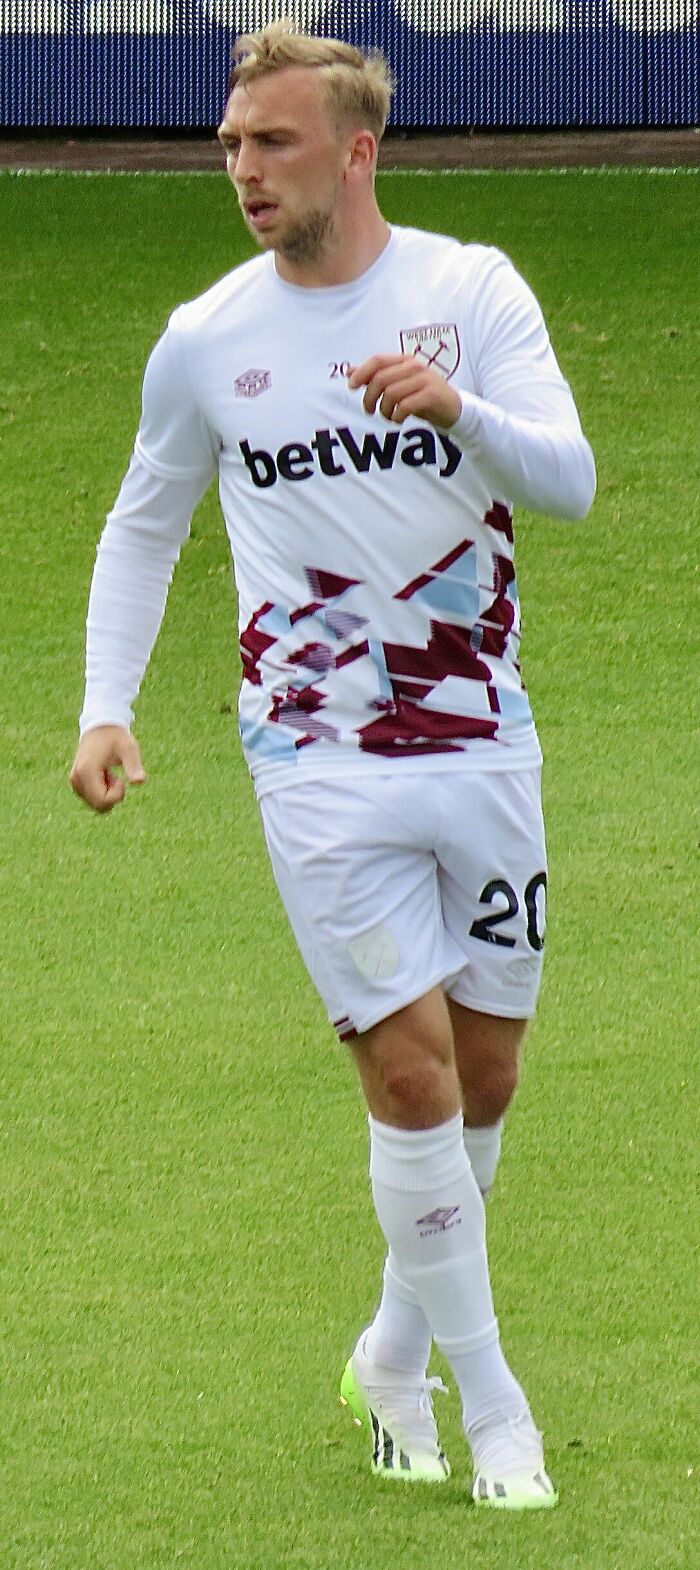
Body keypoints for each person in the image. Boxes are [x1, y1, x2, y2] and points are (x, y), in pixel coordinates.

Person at [70, 19, 596, 1510]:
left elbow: (570, 480)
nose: (241, 169)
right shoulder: (208, 337)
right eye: (232, 145)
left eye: (272, 142)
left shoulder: (468, 291)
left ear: (355, 151)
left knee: (486, 1068)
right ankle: (490, 1409)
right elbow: (141, 518)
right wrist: (109, 702)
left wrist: (461, 413)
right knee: (413, 1074)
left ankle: (388, 1345)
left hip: (482, 735)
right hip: (311, 752)